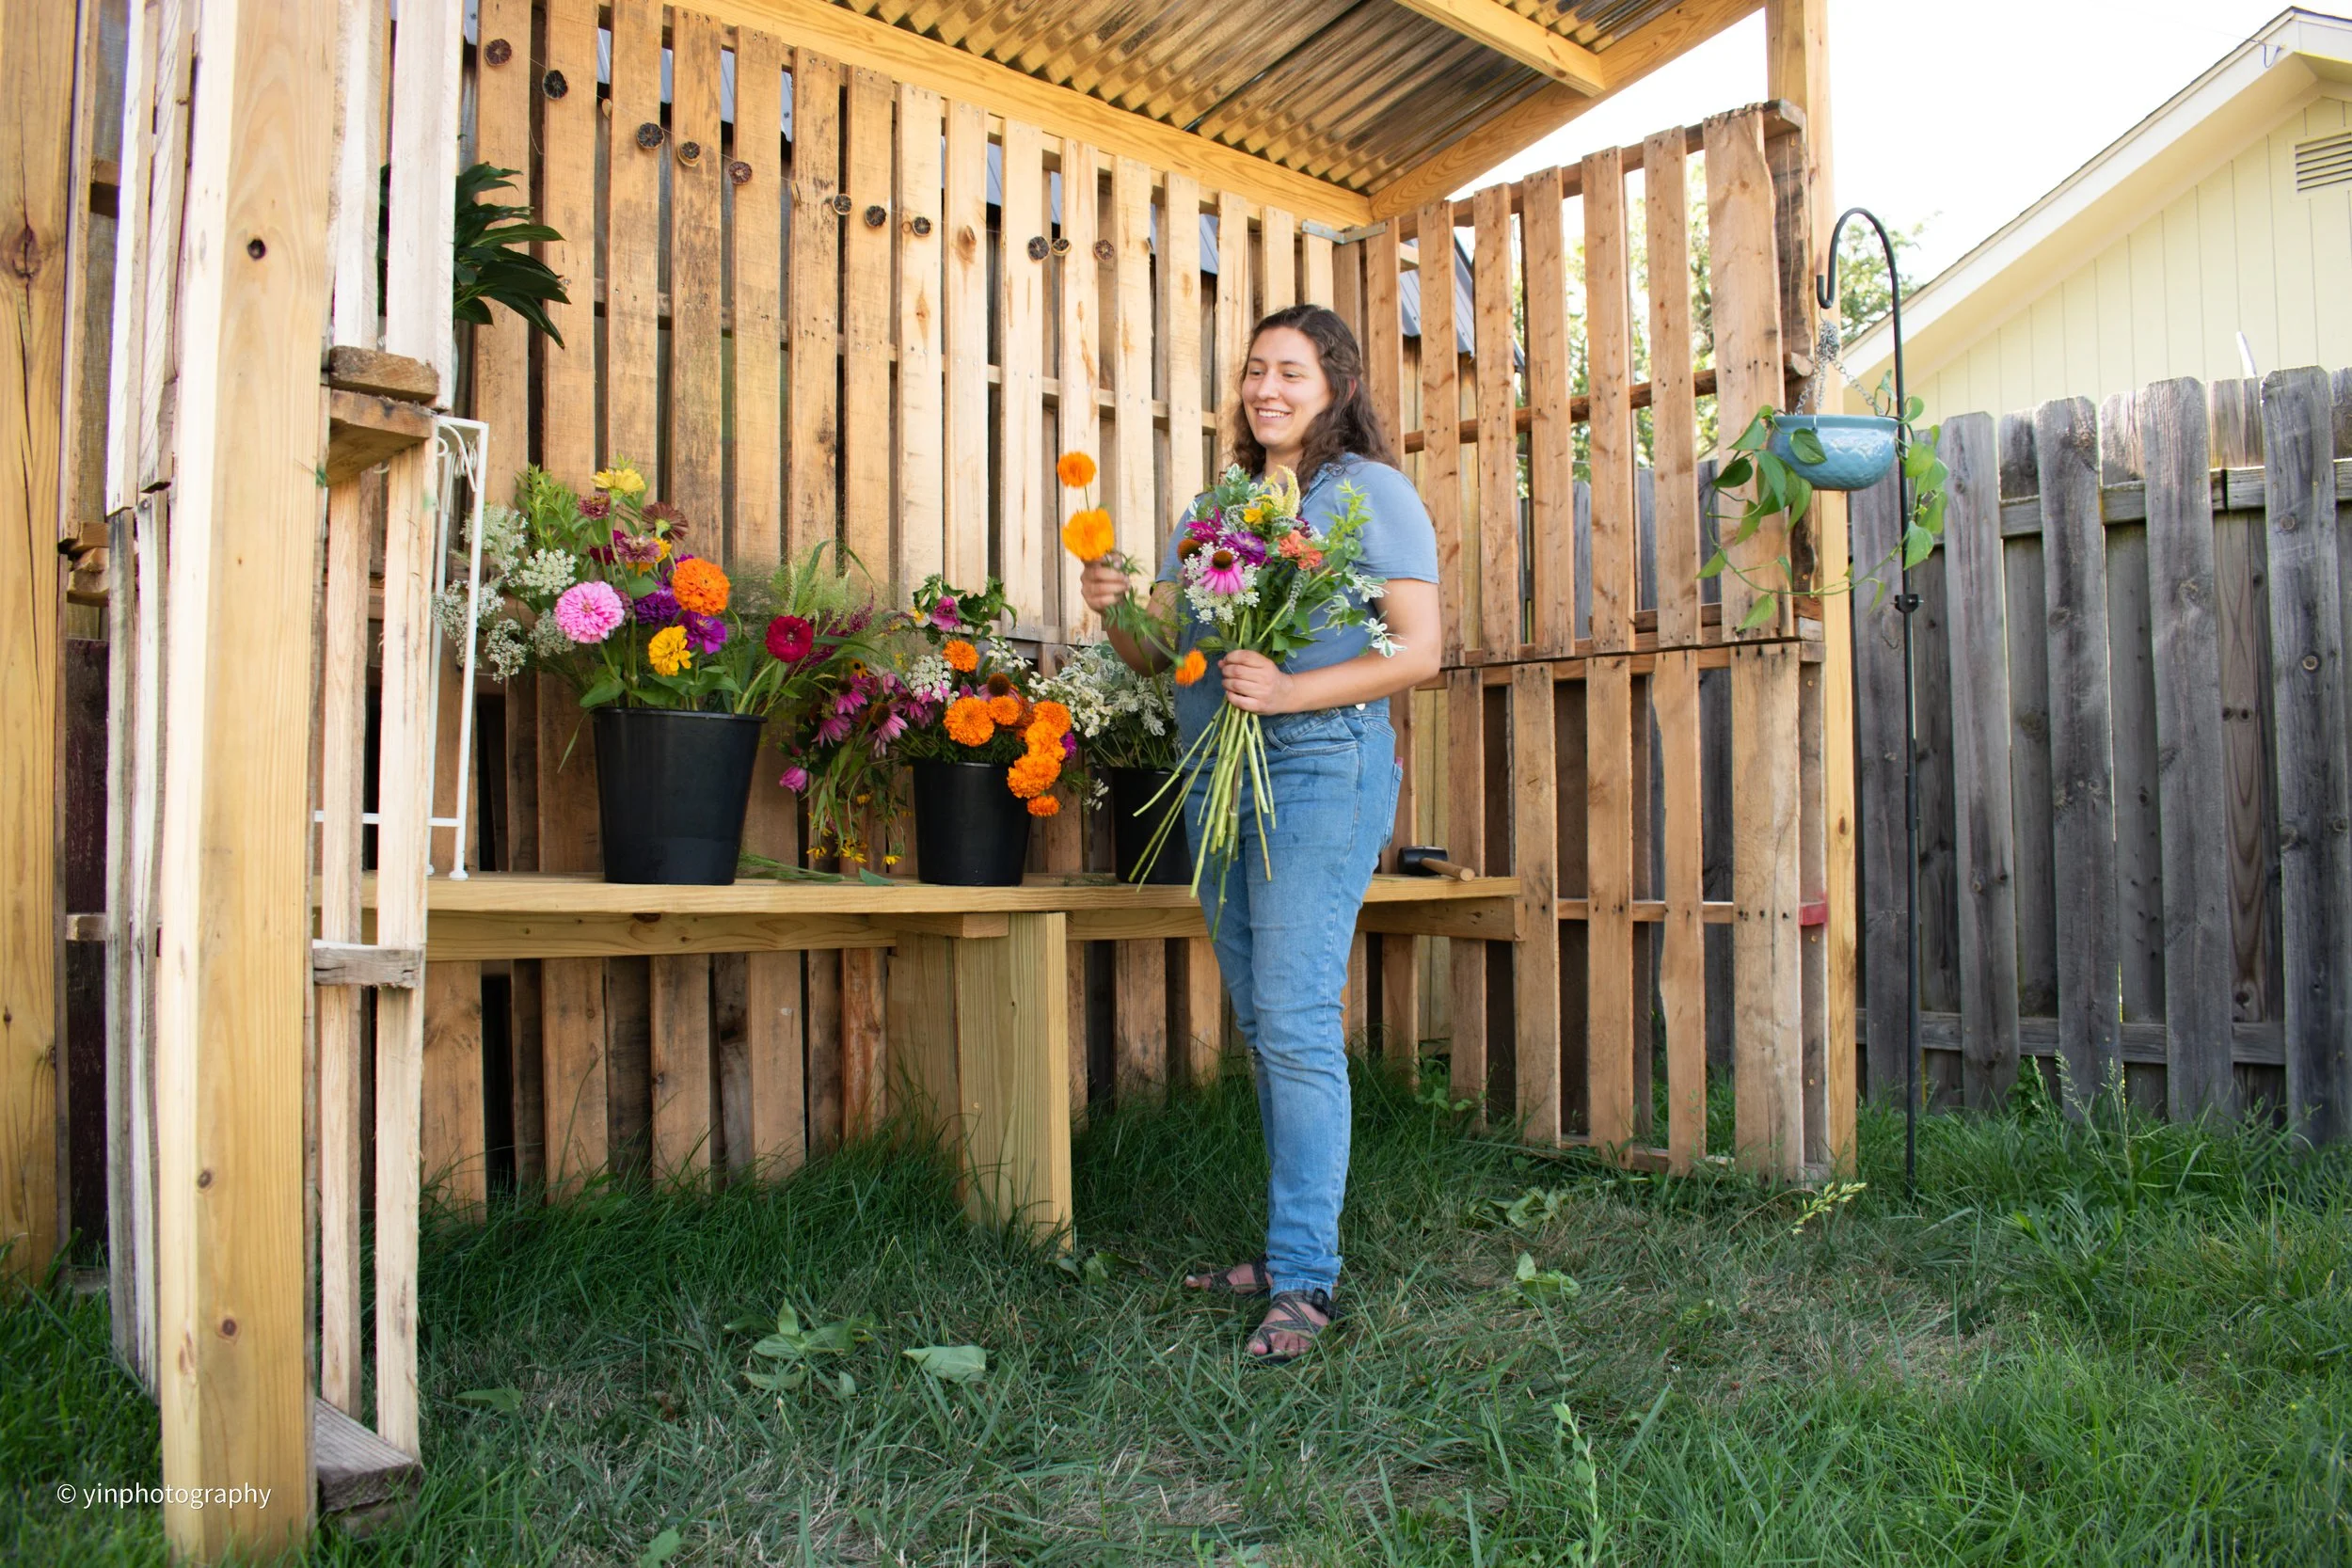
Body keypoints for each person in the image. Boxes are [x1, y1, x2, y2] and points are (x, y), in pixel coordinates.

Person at [1080, 305, 1443, 1364]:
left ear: (1334, 383)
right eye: (1252, 371)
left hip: (1323, 767)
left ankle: (1303, 1276)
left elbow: (1419, 649)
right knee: (1263, 1015)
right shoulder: (1217, 507)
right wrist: (1112, 606)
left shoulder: (1370, 493)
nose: (1265, 387)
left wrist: (1287, 690)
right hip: (1216, 775)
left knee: (1289, 1015)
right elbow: (1158, 657)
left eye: (1289, 370)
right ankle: (1291, 1250)